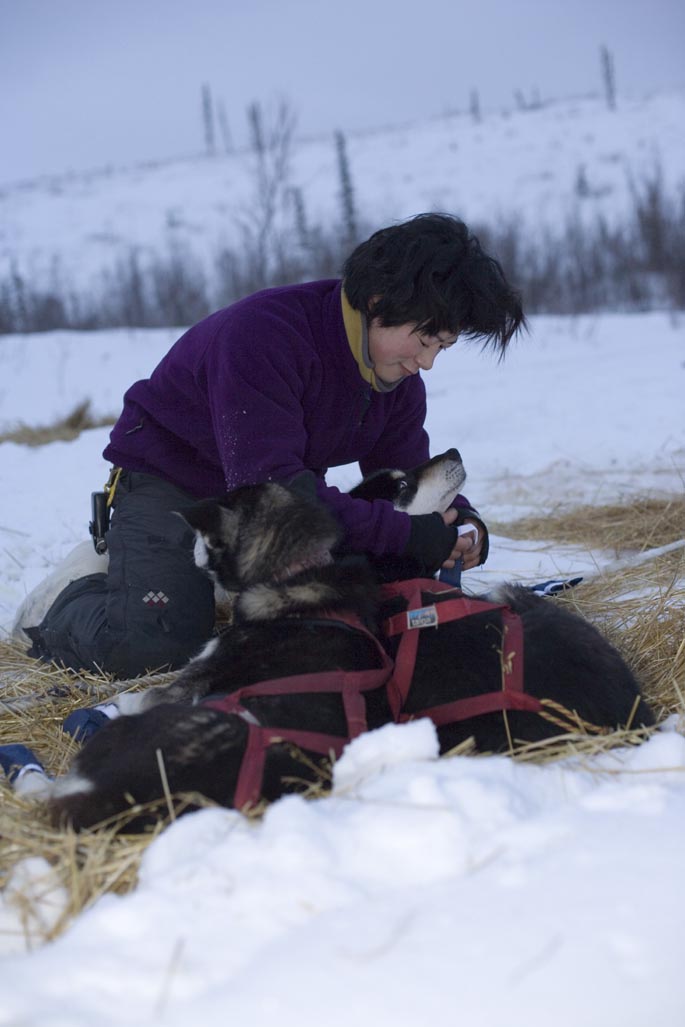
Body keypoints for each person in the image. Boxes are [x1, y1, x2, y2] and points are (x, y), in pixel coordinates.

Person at [23, 213, 525, 678]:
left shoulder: (394, 377)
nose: (428, 362)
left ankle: (201, 583)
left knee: (353, 618)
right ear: (379, 303)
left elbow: (407, 469)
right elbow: (275, 498)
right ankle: (73, 597)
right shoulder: (265, 336)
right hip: (178, 489)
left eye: (442, 347)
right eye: (424, 339)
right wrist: (405, 535)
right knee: (157, 648)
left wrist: (461, 523)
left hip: (276, 501)